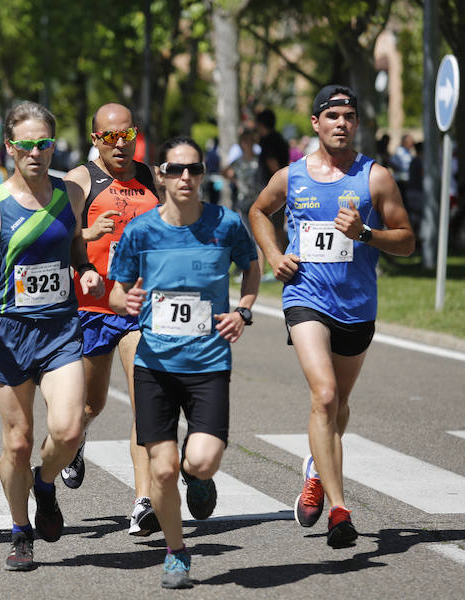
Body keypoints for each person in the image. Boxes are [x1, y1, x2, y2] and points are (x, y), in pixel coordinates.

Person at [249, 85, 414, 549]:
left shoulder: (375, 178)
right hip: (306, 297)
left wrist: (365, 233)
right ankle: (340, 510)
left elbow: (406, 240)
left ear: (357, 125)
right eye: (332, 115)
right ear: (316, 125)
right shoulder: (292, 176)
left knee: (338, 405)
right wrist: (273, 254)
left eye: (349, 115)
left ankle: (316, 469)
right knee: (323, 395)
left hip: (357, 306)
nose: (342, 122)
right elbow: (259, 210)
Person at [0, 101, 104, 571]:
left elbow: (74, 242)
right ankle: (20, 531)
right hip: (11, 335)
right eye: (27, 145)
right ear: (11, 147)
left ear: (54, 145)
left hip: (60, 329)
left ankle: (46, 483)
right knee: (18, 440)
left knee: (70, 429)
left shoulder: (70, 193)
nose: (37, 152)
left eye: (45, 143)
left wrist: (86, 270)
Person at [109, 136, 260, 589]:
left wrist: (243, 311)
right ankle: (177, 552)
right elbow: (116, 291)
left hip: (209, 363)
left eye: (194, 169)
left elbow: (251, 268)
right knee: (161, 469)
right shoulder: (140, 231)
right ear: (160, 174)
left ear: (204, 172)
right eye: (176, 170)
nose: (185, 178)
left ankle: (199, 478)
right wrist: (125, 301)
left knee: (203, 459)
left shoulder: (226, 224)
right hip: (155, 364)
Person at [59, 103, 161, 536]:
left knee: (146, 400)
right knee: (90, 405)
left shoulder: (153, 177)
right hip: (91, 308)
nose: (120, 144)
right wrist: (85, 239)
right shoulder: (80, 182)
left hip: (140, 309)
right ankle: (76, 440)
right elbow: (55, 238)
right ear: (94, 138)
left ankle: (143, 502)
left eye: (127, 135)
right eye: (109, 137)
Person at [256, 108, 290, 251]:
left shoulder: (268, 141)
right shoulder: (279, 138)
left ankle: (284, 255)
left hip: (272, 188)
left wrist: (278, 183)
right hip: (277, 186)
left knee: (275, 227)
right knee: (278, 226)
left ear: (261, 124)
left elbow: (273, 164)